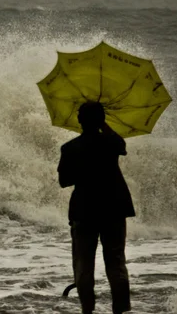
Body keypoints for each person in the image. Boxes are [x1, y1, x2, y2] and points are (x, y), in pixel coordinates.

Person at [58, 101, 135, 314]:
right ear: (101, 120)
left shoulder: (70, 148)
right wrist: (104, 125)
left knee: (83, 266)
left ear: (79, 120)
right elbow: (122, 146)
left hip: (84, 210)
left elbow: (64, 181)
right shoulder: (111, 143)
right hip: (114, 209)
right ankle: (121, 310)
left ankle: (88, 311)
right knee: (116, 263)